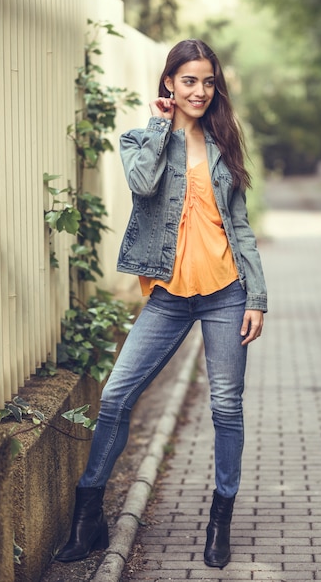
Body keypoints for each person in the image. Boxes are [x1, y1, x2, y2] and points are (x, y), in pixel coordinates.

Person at [56, 39, 267, 569]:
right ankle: (89, 517)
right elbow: (143, 184)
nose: (200, 90)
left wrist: (257, 297)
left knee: (226, 407)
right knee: (119, 395)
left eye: (208, 81)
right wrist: (162, 127)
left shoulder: (224, 141)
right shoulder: (139, 138)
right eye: (189, 80)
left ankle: (220, 519)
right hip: (169, 297)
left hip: (226, 292)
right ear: (170, 82)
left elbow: (239, 226)